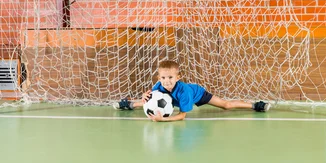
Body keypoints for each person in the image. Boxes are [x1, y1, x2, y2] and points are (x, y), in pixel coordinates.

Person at [113, 59, 271, 121]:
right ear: (158, 78)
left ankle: (254, 105)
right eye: (163, 78)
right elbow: (149, 98)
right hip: (172, 100)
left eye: (170, 78)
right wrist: (143, 96)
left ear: (178, 77)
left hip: (199, 94)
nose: (166, 82)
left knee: (226, 105)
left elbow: (182, 115)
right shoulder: (159, 86)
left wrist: (164, 120)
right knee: (150, 101)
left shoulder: (185, 92)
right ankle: (129, 104)